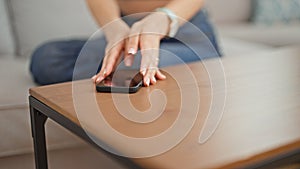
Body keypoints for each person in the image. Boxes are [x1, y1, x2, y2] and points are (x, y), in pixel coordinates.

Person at [30, 0, 221, 86]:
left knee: (132, 68)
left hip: (183, 29)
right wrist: (113, 27)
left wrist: (164, 18)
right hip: (128, 29)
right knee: (47, 58)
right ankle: (113, 72)